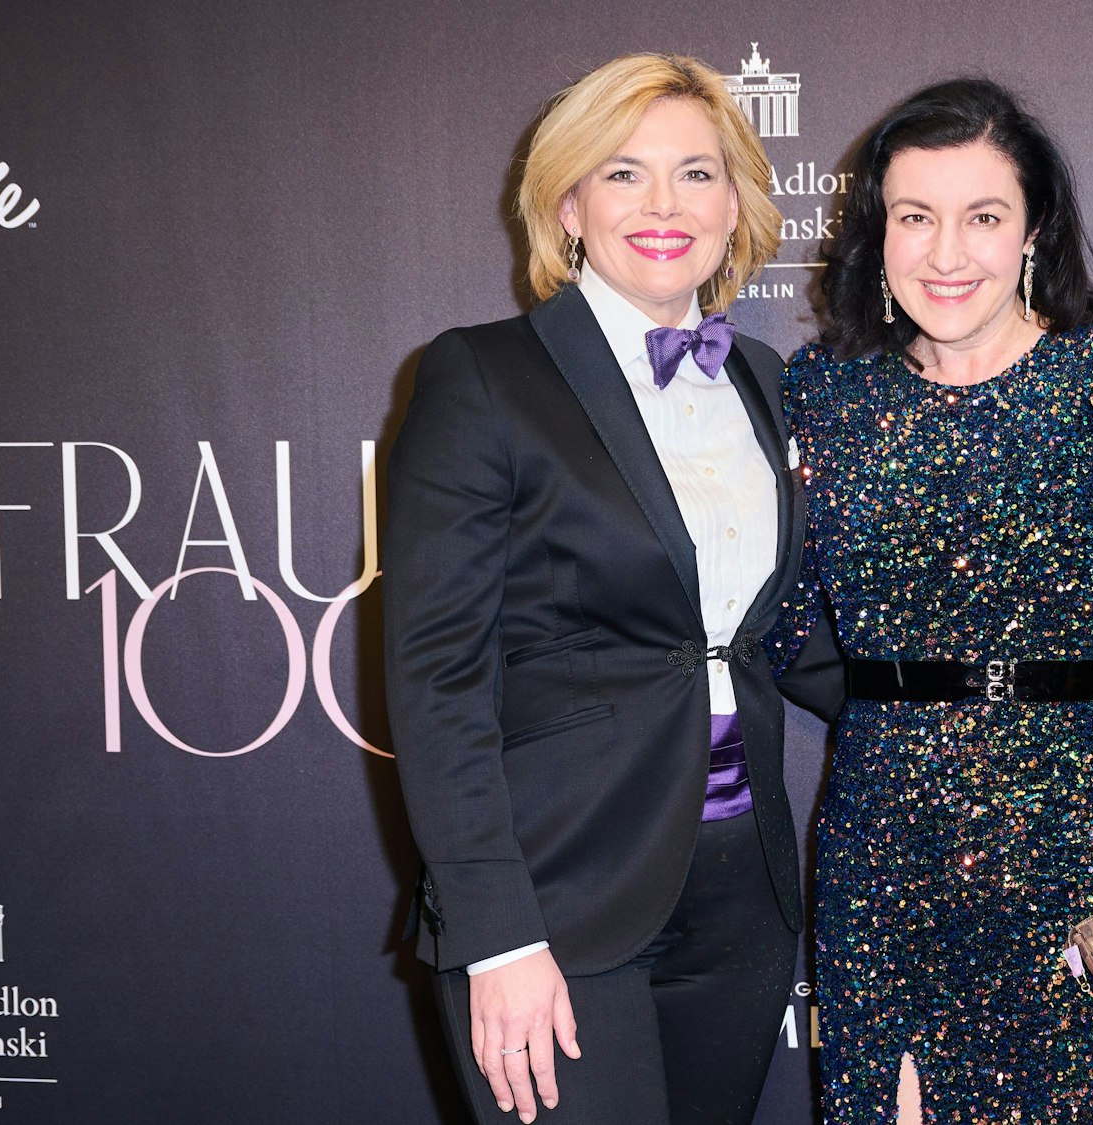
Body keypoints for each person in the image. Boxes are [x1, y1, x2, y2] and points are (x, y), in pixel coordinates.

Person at [771, 78, 1093, 1123]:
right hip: (888, 850)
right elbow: (773, 616)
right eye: (915, 217)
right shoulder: (825, 395)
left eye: (982, 217)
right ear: (876, 233)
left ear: (1032, 230)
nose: (947, 254)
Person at [384, 53, 805, 1125]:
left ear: (736, 205)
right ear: (567, 204)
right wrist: (497, 930)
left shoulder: (763, 381)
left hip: (742, 896)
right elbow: (437, 678)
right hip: (555, 899)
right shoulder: (479, 377)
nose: (663, 206)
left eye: (696, 174)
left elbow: (791, 640)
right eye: (622, 174)